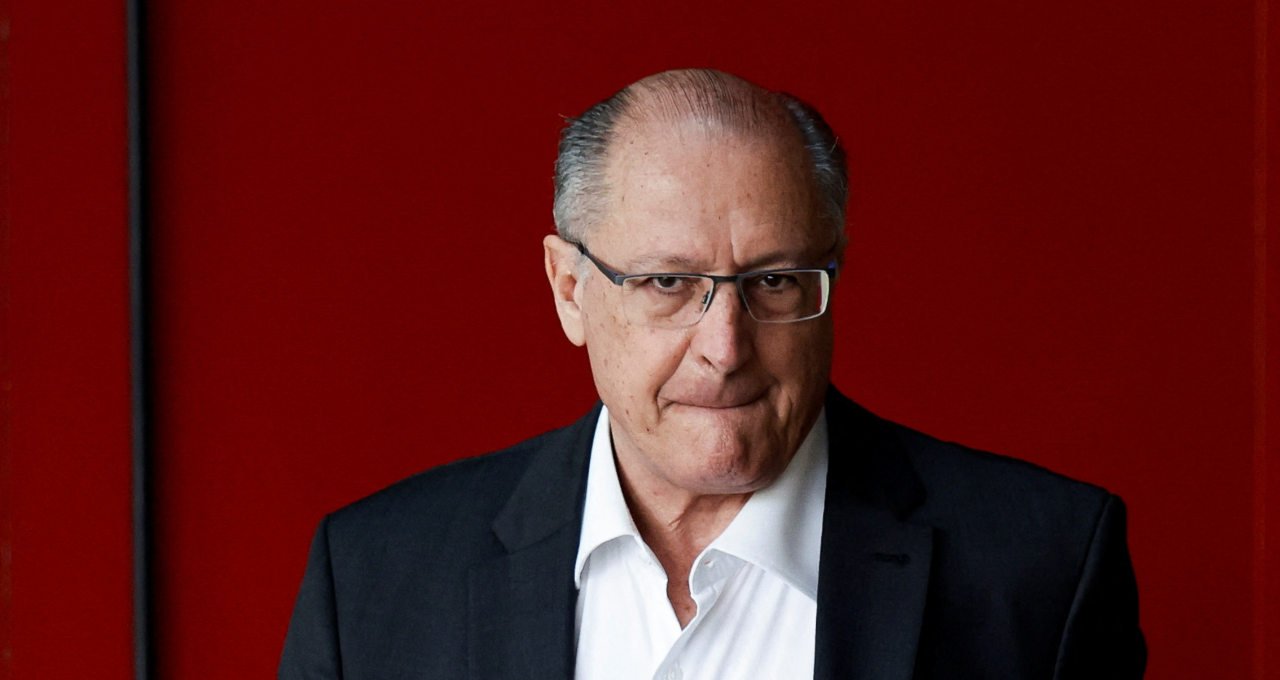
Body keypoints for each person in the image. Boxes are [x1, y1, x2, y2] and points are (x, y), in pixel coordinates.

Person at [279, 69, 1146, 679]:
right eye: (667, 283)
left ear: (832, 277)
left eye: (774, 282)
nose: (725, 348)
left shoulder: (1043, 570)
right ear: (570, 290)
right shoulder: (373, 581)